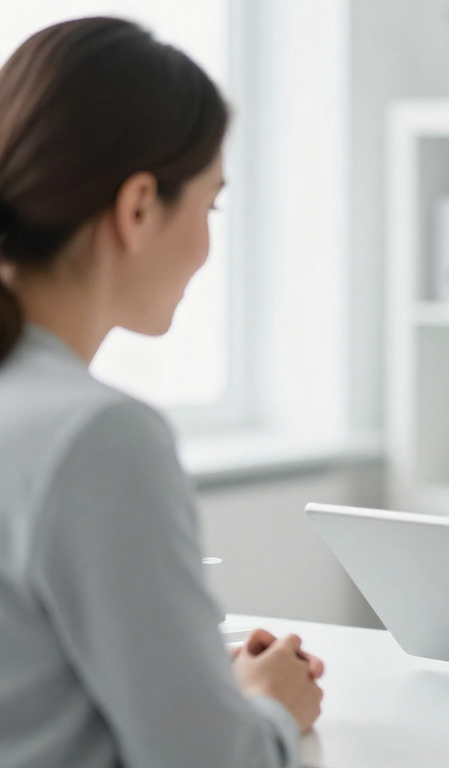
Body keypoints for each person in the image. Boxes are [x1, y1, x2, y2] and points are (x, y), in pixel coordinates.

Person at [0, 17, 323, 767]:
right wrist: (270, 707)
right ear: (139, 206)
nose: (208, 249)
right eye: (209, 206)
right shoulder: (96, 436)